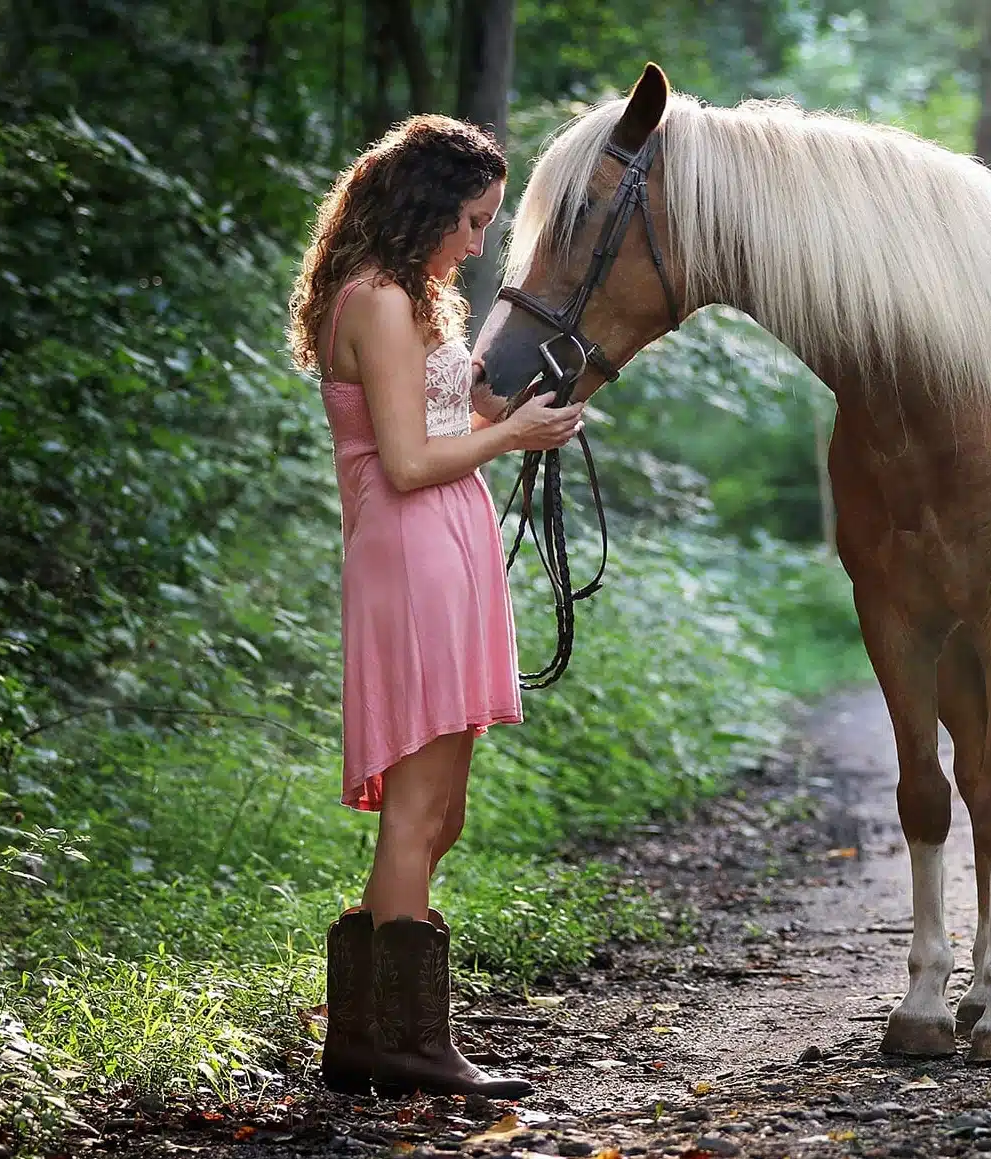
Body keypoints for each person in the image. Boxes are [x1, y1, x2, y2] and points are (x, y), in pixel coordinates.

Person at [287, 114, 583, 1100]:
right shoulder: (371, 301)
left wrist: (520, 415)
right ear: (424, 208)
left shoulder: (418, 297)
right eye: (470, 220)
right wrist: (510, 442)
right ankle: (403, 1045)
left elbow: (444, 415)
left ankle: (369, 1033)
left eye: (487, 222)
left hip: (444, 549)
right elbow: (408, 462)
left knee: (440, 811)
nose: (478, 242)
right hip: (413, 551)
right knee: (416, 814)